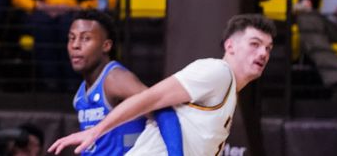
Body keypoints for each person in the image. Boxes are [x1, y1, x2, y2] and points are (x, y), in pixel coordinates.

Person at [50, 13, 276, 155]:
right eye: (254, 44)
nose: (263, 53)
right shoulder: (217, 71)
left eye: (268, 48)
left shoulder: (227, 91)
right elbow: (153, 99)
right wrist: (97, 131)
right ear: (230, 46)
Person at [68, 10, 183, 155]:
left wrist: (176, 153)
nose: (75, 45)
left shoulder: (115, 79)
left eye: (85, 38)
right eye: (72, 38)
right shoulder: (80, 95)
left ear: (106, 46)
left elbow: (162, 109)